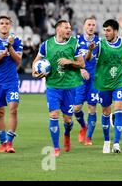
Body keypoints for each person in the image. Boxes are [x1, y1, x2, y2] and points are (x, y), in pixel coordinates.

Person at [32, 20, 85, 157]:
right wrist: (35, 73)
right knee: (54, 114)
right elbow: (36, 62)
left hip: (69, 87)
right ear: (58, 29)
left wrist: (70, 62)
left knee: (68, 120)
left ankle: (67, 134)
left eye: (70, 28)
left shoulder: (74, 43)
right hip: (53, 86)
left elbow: (82, 64)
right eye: (66, 27)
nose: (69, 30)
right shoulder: (47, 45)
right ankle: (56, 147)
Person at [85, 19, 122, 154]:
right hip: (103, 84)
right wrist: (89, 51)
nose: (105, 33)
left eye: (108, 30)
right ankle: (107, 141)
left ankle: (117, 143)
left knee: (118, 110)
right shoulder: (100, 44)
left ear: (115, 31)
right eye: (104, 30)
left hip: (119, 82)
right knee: (106, 112)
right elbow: (88, 59)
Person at [0, 16, 23, 153]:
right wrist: (3, 53)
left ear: (10, 26)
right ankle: (2, 142)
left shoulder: (17, 41)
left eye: (7, 23)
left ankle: (9, 142)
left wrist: (10, 47)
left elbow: (18, 60)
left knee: (13, 108)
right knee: (0, 112)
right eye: (1, 23)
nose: (4, 25)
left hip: (11, 81)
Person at [73, 17, 100, 146]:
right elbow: (70, 60)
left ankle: (88, 137)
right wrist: (80, 70)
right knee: (76, 108)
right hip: (79, 79)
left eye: (93, 25)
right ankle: (84, 126)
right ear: (84, 26)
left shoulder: (99, 42)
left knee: (92, 107)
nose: (91, 27)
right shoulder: (76, 41)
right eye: (89, 24)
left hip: (94, 79)